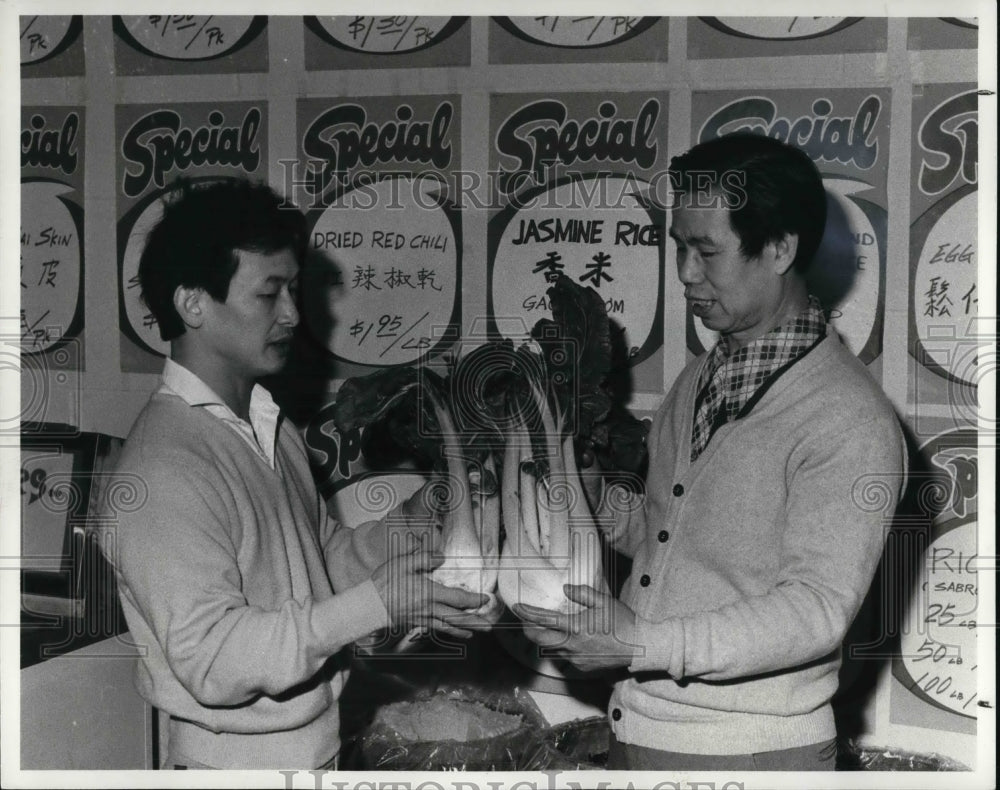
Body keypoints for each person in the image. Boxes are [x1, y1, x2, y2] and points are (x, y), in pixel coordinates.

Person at [513, 133, 907, 771]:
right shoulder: (700, 376)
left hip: (749, 755)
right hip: (640, 732)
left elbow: (816, 610)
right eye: (678, 247)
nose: (686, 274)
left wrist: (641, 642)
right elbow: (661, 533)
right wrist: (578, 493)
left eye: (707, 251)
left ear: (780, 249)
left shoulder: (849, 418)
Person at [98, 178, 489, 770]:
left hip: (317, 752)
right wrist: (377, 605)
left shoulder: (270, 427)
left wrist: (411, 523)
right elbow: (214, 660)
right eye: (270, 293)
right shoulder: (163, 466)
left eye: (295, 290)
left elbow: (317, 565)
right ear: (193, 303)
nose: (292, 314)